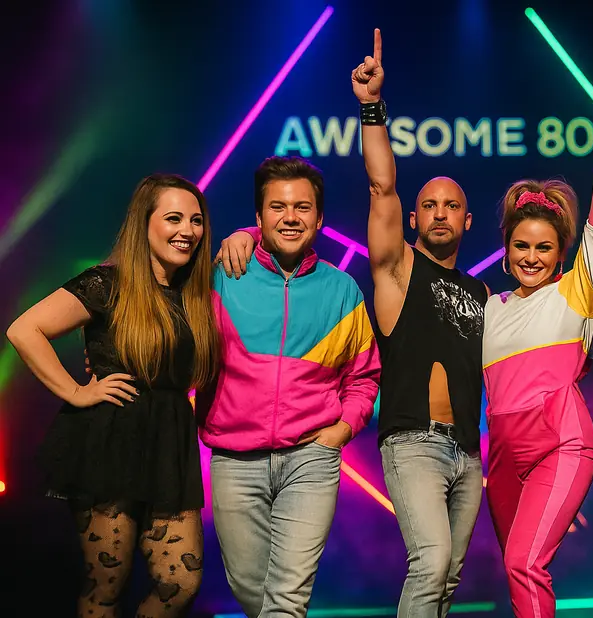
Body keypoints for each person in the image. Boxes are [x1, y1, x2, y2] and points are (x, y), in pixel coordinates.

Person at [216, 28, 489, 618]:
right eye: (429, 204)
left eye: (452, 206)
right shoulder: (396, 270)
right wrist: (371, 107)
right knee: (430, 563)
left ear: (469, 220)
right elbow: (382, 183)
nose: (439, 213)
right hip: (413, 442)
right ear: (413, 216)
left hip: (469, 451)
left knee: (447, 580)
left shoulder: (483, 292)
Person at [6, 174, 218, 616]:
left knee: (179, 581)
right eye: (174, 218)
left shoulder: (193, 293)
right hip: (111, 438)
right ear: (145, 223)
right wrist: (77, 391)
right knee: (107, 584)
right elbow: (24, 329)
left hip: (168, 443)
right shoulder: (109, 282)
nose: (188, 230)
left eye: (196, 220)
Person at [480, 68, 593, 618]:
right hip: (501, 458)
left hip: (560, 443)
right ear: (505, 248)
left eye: (544, 247)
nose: (531, 256)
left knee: (525, 564)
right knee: (514, 567)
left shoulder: (576, 292)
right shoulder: (487, 310)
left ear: (561, 251)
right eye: (521, 245)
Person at [197, 156, 381, 617]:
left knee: (288, 596)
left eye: (302, 207)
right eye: (277, 207)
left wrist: (342, 428)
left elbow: (364, 376)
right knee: (248, 589)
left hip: (310, 460)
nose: (290, 217)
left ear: (318, 218)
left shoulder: (342, 291)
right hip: (235, 459)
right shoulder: (223, 275)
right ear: (258, 219)